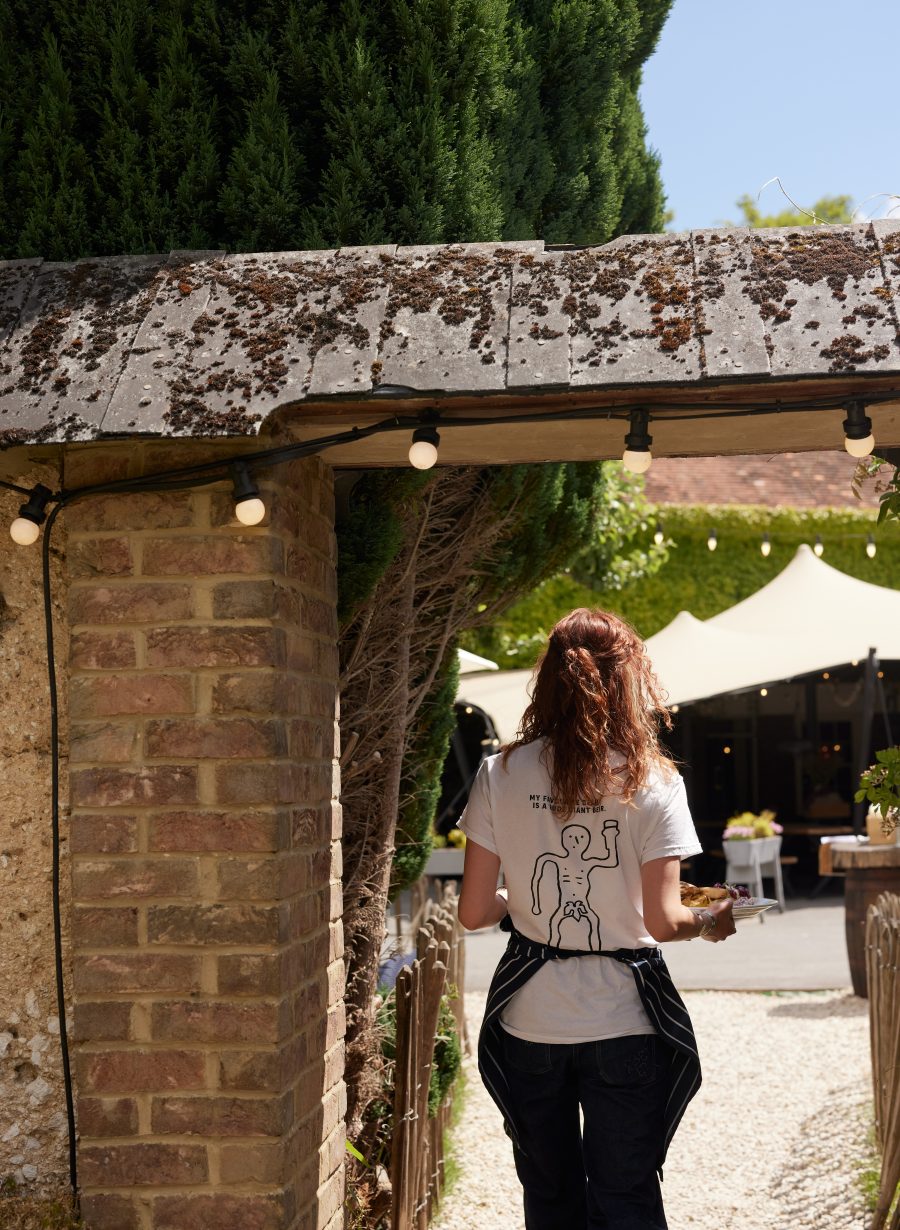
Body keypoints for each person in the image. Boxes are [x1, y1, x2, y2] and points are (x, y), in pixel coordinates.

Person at [457, 608, 735, 1230]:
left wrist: (523, 902)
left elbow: (474, 912)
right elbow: (664, 922)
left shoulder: (499, 773)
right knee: (627, 1195)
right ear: (628, 679)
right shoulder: (654, 780)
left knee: (549, 1196)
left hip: (531, 1021)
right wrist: (714, 918)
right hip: (625, 1024)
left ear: (548, 679)